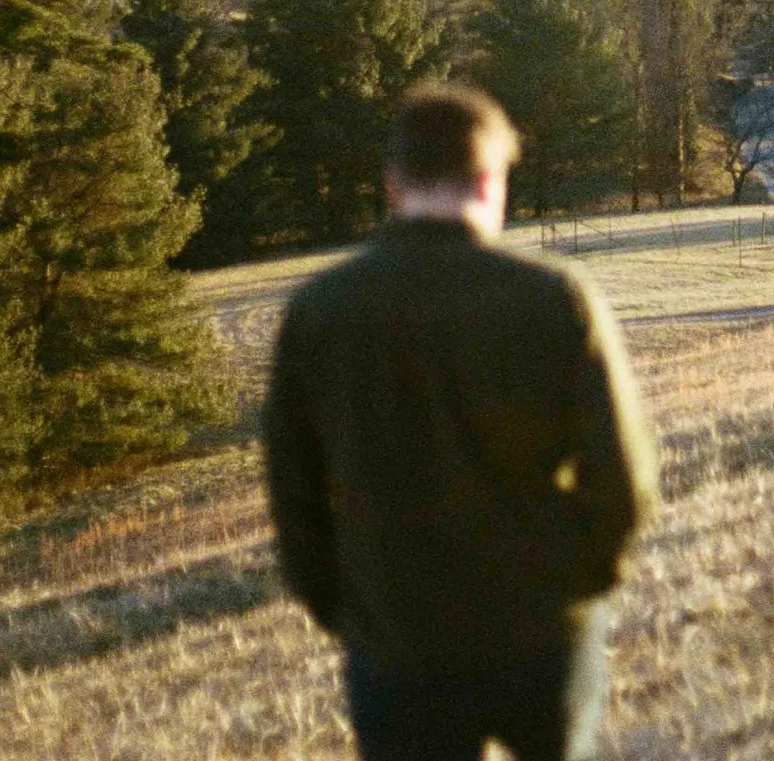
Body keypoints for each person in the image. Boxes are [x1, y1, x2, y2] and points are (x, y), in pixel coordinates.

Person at [265, 82, 659, 761]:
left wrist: (346, 609)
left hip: (395, 640)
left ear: (393, 186)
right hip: (539, 630)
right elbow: (625, 477)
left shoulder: (318, 312)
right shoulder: (554, 297)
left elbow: (293, 496)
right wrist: (578, 583)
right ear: (489, 179)